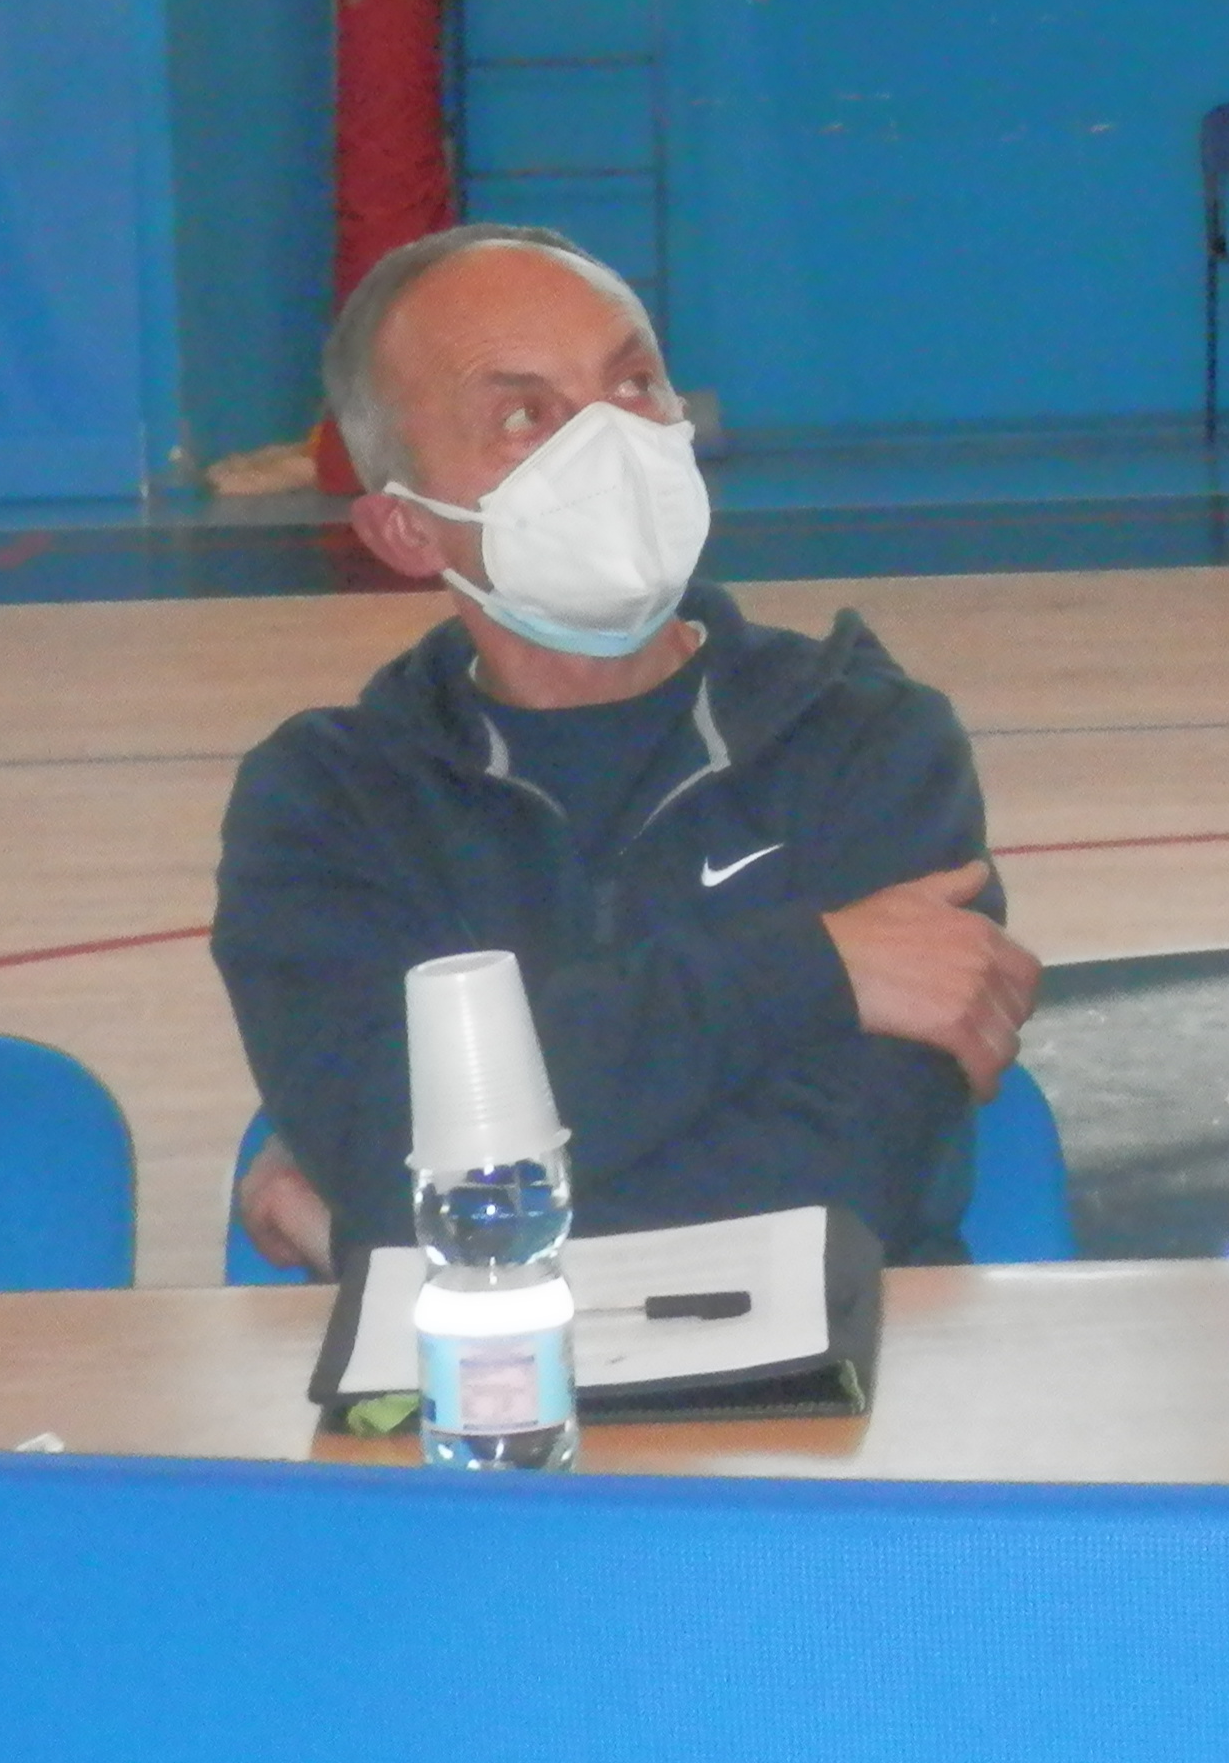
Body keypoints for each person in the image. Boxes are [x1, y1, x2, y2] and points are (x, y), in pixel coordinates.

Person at [215, 225, 1037, 1271]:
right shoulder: (330, 802)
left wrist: (392, 1239)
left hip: (848, 1368)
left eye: (634, 385)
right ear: (407, 530)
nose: (608, 442)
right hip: (472, 1375)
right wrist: (808, 967)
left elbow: (838, 1193)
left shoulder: (868, 744)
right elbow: (386, 1146)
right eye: (525, 415)